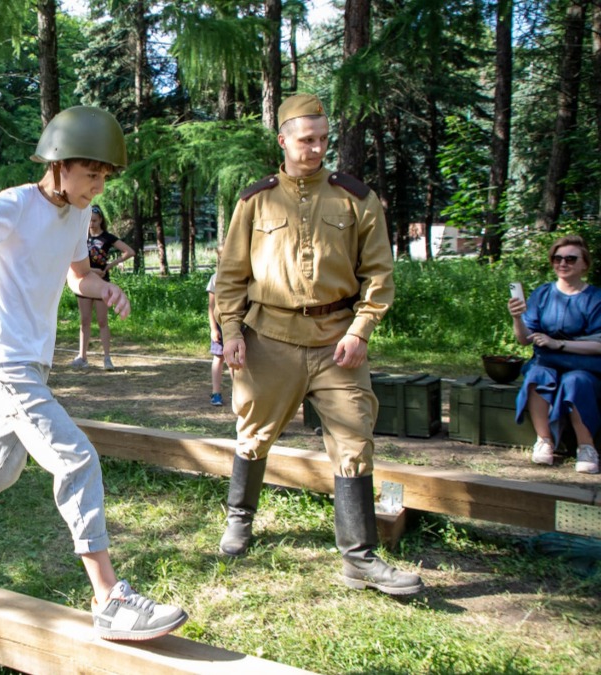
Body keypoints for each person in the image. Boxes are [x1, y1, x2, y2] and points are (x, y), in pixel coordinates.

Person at [0, 106, 187, 642]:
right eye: (90, 174)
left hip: (33, 360)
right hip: (3, 356)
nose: (97, 187)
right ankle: (110, 600)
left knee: (0, 467)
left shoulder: (78, 214)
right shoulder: (13, 205)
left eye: (104, 177)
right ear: (58, 165)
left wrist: (102, 287)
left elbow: (77, 276)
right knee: (76, 455)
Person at [213, 93, 423, 595]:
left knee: (354, 442)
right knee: (254, 433)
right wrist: (233, 332)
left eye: (323, 140)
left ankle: (359, 559)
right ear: (283, 140)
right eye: (307, 140)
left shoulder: (355, 197)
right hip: (271, 340)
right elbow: (230, 276)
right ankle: (240, 519)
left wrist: (360, 331)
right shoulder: (255, 199)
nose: (317, 149)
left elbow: (379, 274)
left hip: (338, 342)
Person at [508, 235, 601, 474]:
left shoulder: (595, 298)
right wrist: (517, 318)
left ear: (584, 264)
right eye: (557, 258)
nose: (563, 263)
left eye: (571, 258)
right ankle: (544, 440)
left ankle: (586, 447)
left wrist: (558, 344)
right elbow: (524, 338)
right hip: (546, 361)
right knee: (538, 374)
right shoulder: (542, 294)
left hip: (584, 365)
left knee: (575, 380)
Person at [70, 205, 134, 371]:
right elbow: (73, 261)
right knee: (84, 321)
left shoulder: (107, 237)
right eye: (89, 220)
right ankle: (82, 356)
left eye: (95, 221)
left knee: (102, 321)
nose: (92, 224)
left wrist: (110, 266)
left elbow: (129, 251)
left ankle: (107, 357)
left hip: (101, 284)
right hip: (83, 283)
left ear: (101, 220)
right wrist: (91, 271)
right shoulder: (81, 237)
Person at [207, 246, 226, 406]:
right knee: (219, 358)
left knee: (237, 361)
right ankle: (216, 392)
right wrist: (213, 328)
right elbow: (211, 307)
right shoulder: (215, 278)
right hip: (220, 325)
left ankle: (240, 392)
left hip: (239, 324)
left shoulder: (242, 276)